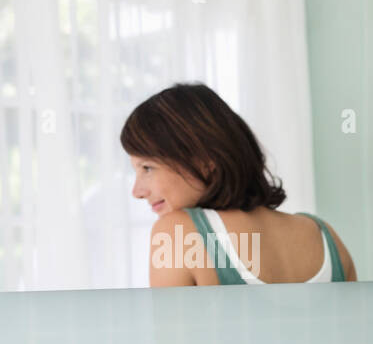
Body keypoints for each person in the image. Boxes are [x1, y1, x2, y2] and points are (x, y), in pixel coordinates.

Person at [121, 82, 356, 286]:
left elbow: (168, 338)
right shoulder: (325, 237)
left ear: (204, 161)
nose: (137, 192)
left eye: (147, 168)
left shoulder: (176, 233)